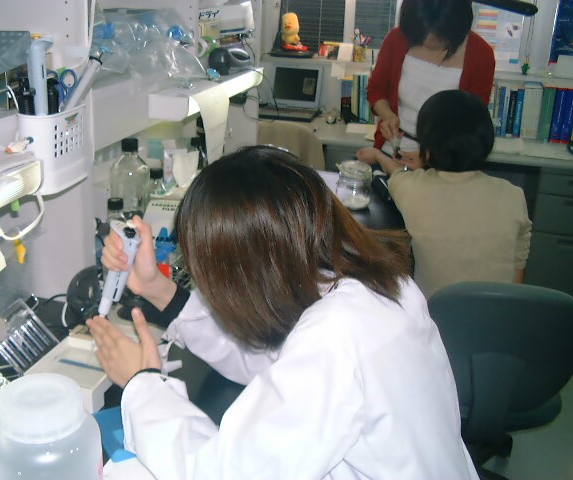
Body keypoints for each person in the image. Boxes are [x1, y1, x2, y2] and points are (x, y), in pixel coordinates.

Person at [87, 145, 479, 479]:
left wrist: (142, 385)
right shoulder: (377, 286)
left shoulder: (336, 336)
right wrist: (156, 288)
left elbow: (221, 472)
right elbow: (275, 359)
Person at [358, 90, 532, 299]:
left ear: (427, 145)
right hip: (498, 314)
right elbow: (518, 269)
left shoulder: (412, 189)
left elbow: (396, 173)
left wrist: (378, 154)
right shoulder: (514, 196)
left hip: (433, 315)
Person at [364, 0, 495, 169]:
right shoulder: (396, 39)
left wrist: (429, 158)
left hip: (443, 164)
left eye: (438, 34)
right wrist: (388, 116)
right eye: (421, 30)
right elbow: (376, 89)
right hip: (391, 152)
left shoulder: (481, 55)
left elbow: (470, 127)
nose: (428, 40)